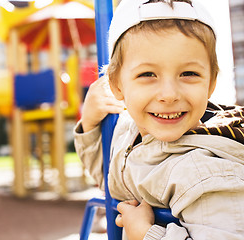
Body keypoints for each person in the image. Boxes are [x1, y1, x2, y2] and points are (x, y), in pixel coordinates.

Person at [74, 0, 244, 239]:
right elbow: (109, 174)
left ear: (211, 83)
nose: (169, 95)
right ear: (116, 86)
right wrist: (90, 122)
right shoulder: (130, 133)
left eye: (188, 74)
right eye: (147, 74)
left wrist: (146, 234)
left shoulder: (207, 174)